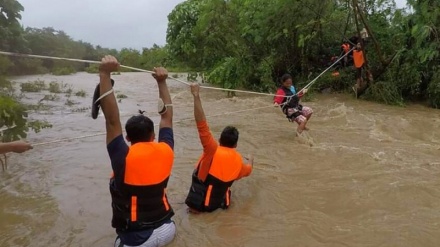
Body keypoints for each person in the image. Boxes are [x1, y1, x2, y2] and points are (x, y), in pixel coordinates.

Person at [94, 55, 176, 247]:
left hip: (137, 239)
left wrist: (104, 74)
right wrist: (162, 83)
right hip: (168, 229)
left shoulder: (123, 157)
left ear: (128, 138)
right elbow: (167, 118)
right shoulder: (166, 149)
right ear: (153, 135)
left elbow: (112, 121)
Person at [184, 83, 253, 213]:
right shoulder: (239, 162)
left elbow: (201, 124)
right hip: (219, 208)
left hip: (197, 209)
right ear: (236, 145)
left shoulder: (211, 149)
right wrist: (251, 159)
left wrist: (196, 96)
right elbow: (248, 170)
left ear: (220, 140)